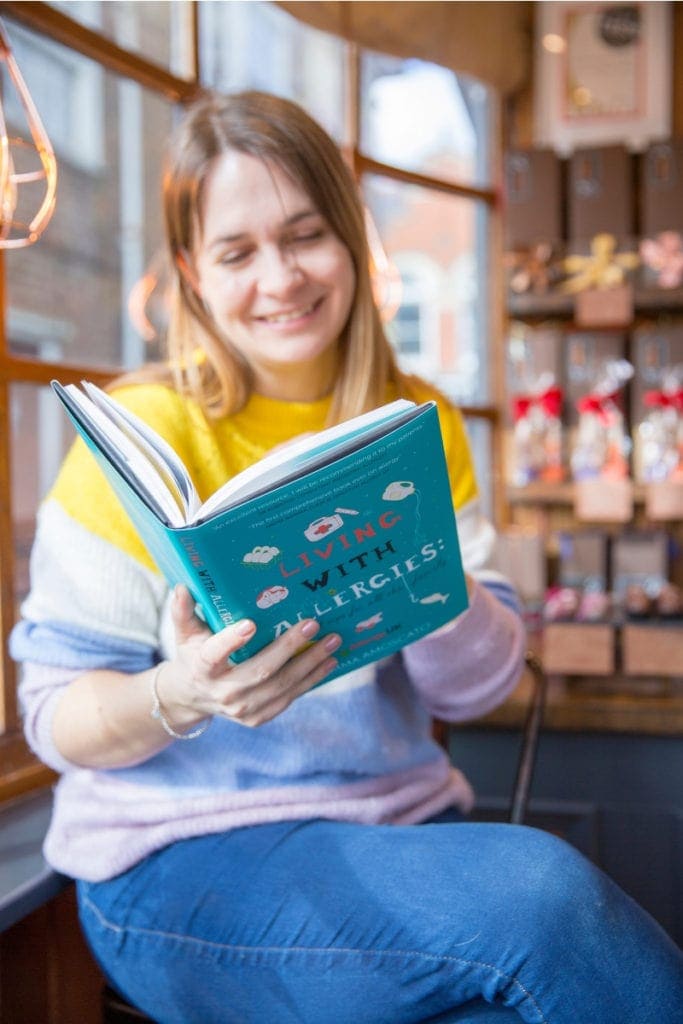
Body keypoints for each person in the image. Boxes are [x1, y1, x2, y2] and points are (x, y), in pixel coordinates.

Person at [11, 91, 683, 1024]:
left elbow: (475, 693)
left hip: (395, 835)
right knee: (543, 892)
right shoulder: (140, 436)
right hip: (177, 867)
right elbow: (55, 717)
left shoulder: (418, 421)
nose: (280, 278)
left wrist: (419, 566)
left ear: (352, 243)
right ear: (190, 275)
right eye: (236, 252)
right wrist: (185, 694)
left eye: (305, 235)